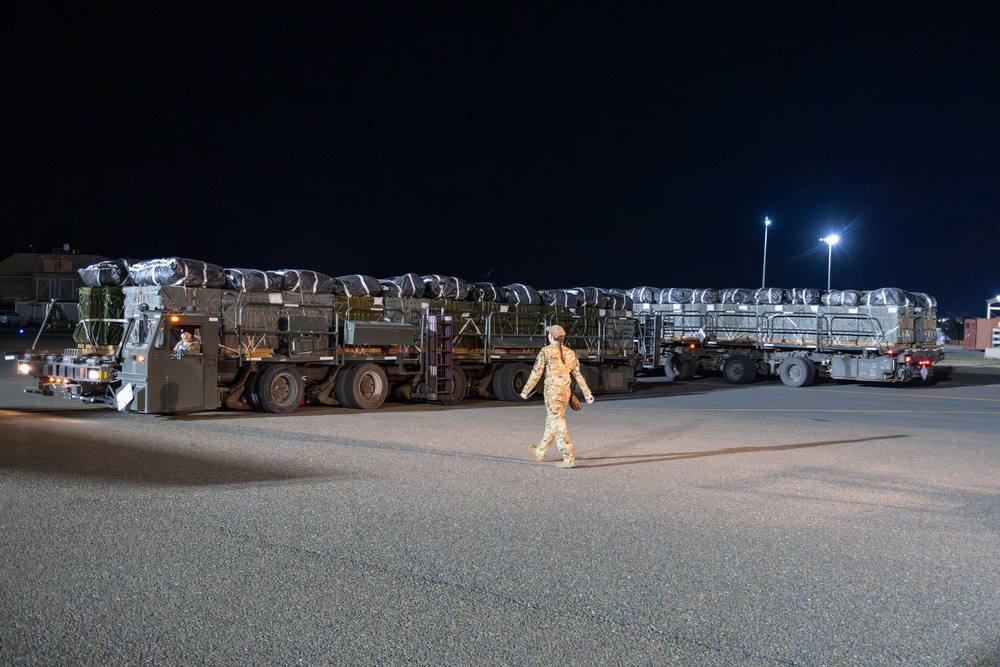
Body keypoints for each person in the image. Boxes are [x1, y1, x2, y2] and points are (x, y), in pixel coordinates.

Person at [519, 324, 595, 468]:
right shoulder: (570, 352)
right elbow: (577, 374)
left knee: (557, 423)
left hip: (553, 393)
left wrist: (525, 390)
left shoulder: (546, 351)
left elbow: (536, 373)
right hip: (565, 392)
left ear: (550, 337)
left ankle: (569, 457)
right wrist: (587, 393)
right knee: (551, 421)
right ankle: (540, 451)